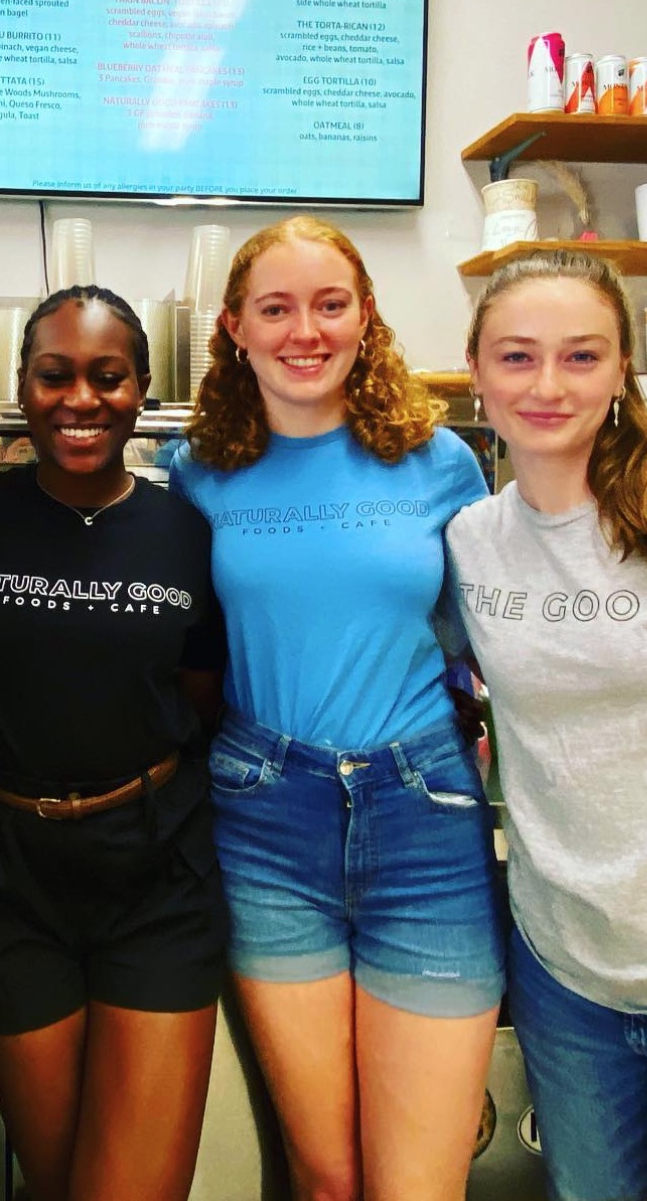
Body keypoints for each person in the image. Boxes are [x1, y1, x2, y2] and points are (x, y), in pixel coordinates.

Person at [169, 215, 504, 1201]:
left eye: (329, 303)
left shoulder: (440, 461)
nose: (303, 330)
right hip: (265, 820)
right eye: (275, 307)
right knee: (324, 1177)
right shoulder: (198, 473)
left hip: (423, 818)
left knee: (418, 1185)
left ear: (365, 315)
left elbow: (483, 640)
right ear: (234, 325)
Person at [448, 248, 647, 1201]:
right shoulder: (471, 541)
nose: (548, 385)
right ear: (477, 370)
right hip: (569, 981)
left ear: (621, 373)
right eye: (518, 357)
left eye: (581, 356)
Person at [0, 286, 227, 1201]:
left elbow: (198, 692)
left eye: (107, 378)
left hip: (156, 870)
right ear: (22, 387)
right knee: (56, 1177)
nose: (81, 400)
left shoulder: (185, 532)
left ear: (141, 391)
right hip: (11, 875)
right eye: (55, 375)